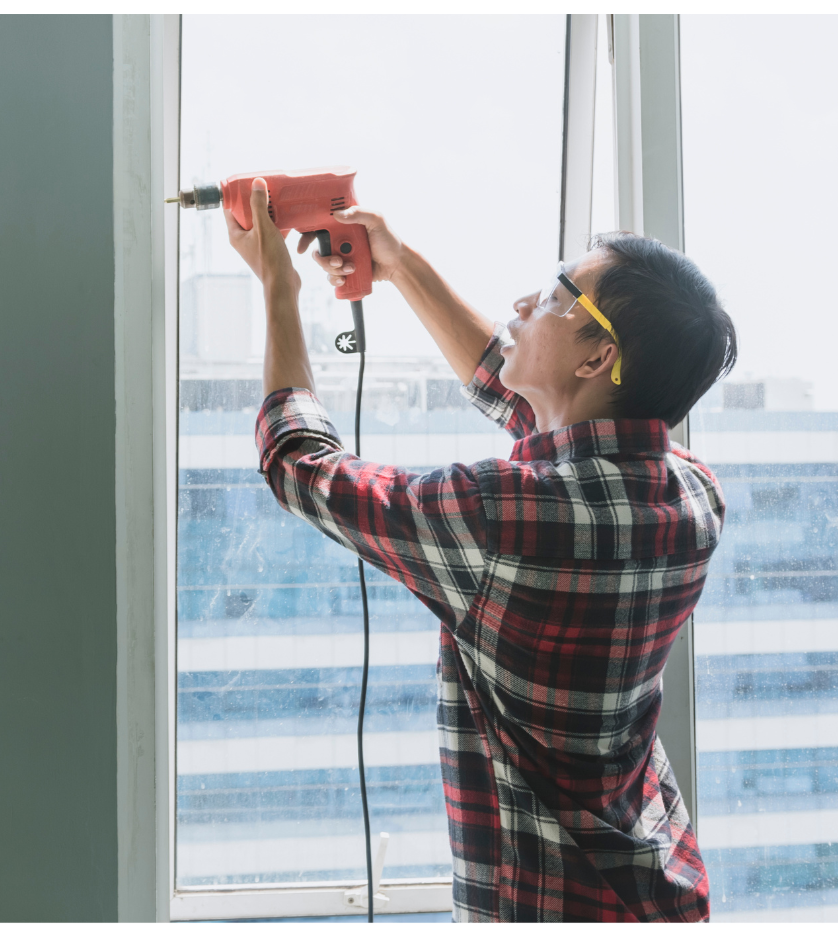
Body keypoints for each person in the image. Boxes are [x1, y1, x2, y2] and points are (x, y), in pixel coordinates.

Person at [226, 177, 737, 922]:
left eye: (559, 294)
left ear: (597, 358)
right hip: (655, 884)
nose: (527, 303)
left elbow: (303, 468)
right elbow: (532, 410)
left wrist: (278, 286)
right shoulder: (692, 496)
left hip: (550, 903)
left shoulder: (503, 515)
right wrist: (396, 263)